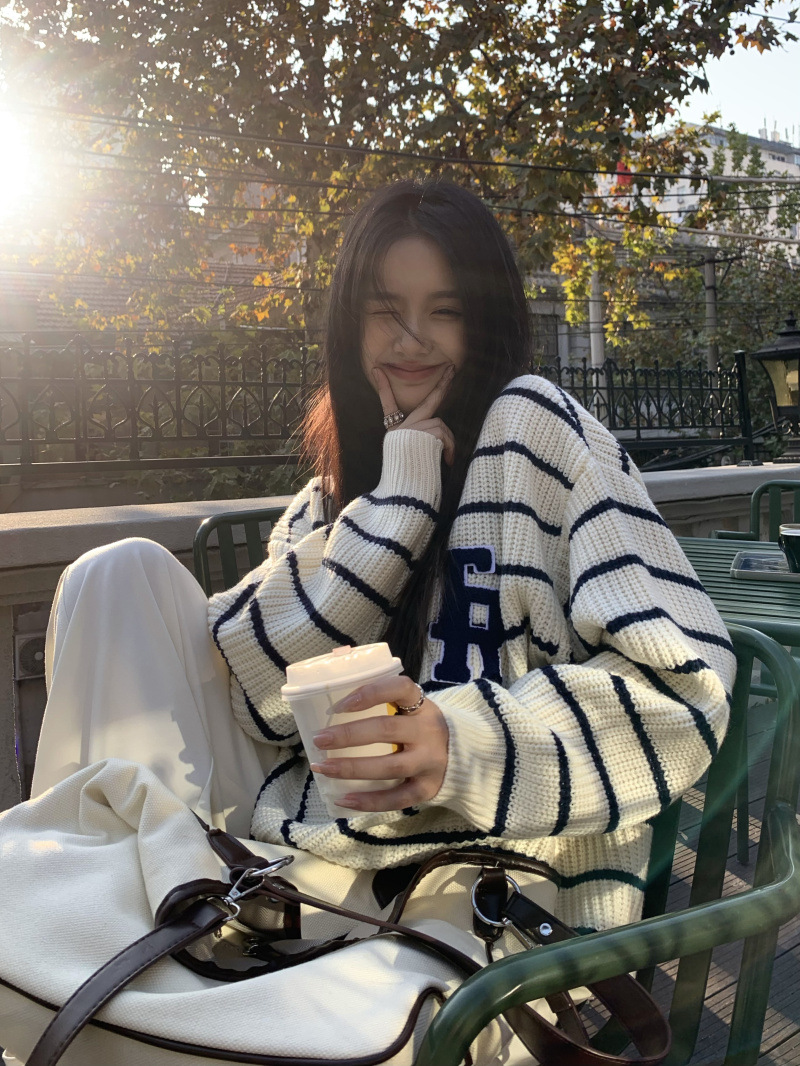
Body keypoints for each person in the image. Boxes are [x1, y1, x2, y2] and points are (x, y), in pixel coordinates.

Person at [16, 179, 734, 1064]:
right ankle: (86, 919)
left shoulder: (535, 427)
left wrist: (460, 745)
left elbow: (685, 686)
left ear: (486, 323)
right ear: (349, 325)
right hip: (292, 869)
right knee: (115, 575)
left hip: (472, 896)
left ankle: (90, 969)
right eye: (384, 310)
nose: (410, 339)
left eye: (446, 311)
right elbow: (257, 698)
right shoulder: (333, 498)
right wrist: (399, 500)